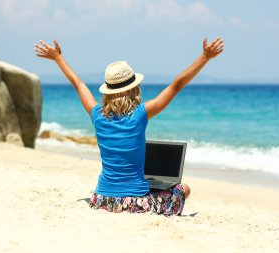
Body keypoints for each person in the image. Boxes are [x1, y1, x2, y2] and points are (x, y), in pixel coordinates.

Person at [34, 36, 224, 216]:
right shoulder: (140, 114)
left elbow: (78, 84)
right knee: (184, 189)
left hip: (101, 199)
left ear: (107, 90)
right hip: (134, 202)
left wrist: (58, 58)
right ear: (134, 88)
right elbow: (176, 86)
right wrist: (205, 57)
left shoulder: (97, 115)